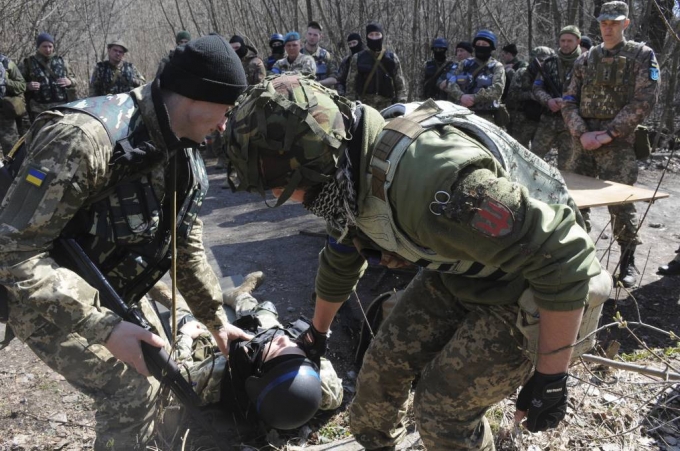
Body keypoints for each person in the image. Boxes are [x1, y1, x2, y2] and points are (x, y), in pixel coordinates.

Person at [223, 73, 611, 450]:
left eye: (276, 186)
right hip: (460, 270)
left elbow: (563, 253)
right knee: (374, 389)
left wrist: (552, 375)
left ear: (309, 167)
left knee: (441, 415)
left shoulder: (436, 184)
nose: (276, 194)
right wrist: (317, 335)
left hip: (530, 285)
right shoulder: (345, 169)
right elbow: (342, 255)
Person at [0, 35, 252, 450]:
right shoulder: (83, 139)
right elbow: (13, 251)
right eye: (225, 109)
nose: (226, 124)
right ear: (195, 99)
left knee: (162, 364)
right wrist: (105, 328)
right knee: (133, 388)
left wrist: (215, 318)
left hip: (101, 287)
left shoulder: (182, 150)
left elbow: (183, 245)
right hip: (34, 288)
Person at [152, 272, 343, 430]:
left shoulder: (218, 375)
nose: (284, 339)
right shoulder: (324, 386)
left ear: (257, 375)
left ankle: (174, 302)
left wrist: (185, 337)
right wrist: (293, 351)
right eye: (295, 349)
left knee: (190, 324)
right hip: (270, 349)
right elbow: (331, 388)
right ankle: (240, 294)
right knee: (263, 313)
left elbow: (178, 374)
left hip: (238, 351)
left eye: (279, 348)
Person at [562, 1, 660, 288]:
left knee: (621, 205)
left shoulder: (641, 56)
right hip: (582, 144)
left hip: (617, 145)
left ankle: (627, 260)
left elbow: (645, 100)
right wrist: (581, 133)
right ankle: (579, 257)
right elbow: (569, 100)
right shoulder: (586, 58)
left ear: (625, 24)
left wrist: (608, 134)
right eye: (604, 22)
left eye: (614, 23)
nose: (608, 27)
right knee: (575, 204)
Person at [531, 25, 583, 169]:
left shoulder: (586, 63)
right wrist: (548, 101)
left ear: (578, 41)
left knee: (567, 166)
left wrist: (568, 102)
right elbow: (537, 87)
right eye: (562, 40)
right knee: (533, 159)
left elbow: (590, 92)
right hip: (548, 119)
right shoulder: (549, 63)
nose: (565, 44)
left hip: (572, 123)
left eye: (569, 41)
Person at [440, 29, 507, 127]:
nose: (481, 47)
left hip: (486, 117)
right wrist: (461, 96)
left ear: (491, 47)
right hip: (462, 113)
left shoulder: (496, 66)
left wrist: (474, 98)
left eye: (484, 45)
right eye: (478, 44)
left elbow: (497, 89)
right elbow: (451, 83)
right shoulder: (465, 64)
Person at [344, 23, 407, 110]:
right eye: (371, 35)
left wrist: (400, 105)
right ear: (367, 37)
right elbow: (350, 86)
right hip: (364, 106)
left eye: (377, 34)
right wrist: (351, 107)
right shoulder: (358, 58)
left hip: (388, 105)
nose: (374, 38)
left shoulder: (392, 57)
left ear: (382, 36)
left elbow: (400, 85)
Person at [505, 46, 555, 147]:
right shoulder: (522, 73)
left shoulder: (552, 75)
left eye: (546, 60)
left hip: (543, 120)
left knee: (538, 154)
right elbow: (512, 95)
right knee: (518, 150)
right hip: (522, 120)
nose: (543, 63)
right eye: (540, 60)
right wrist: (532, 95)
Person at [21, 32, 77, 122]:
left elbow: (75, 80)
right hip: (39, 109)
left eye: (50, 46)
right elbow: (18, 84)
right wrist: (28, 86)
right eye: (44, 46)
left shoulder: (62, 61)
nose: (48, 49)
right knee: (41, 134)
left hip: (61, 107)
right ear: (38, 47)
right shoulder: (29, 63)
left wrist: (70, 82)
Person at [0, 54, 27, 157]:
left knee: (10, 147)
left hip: (4, 114)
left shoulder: (6, 63)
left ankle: (11, 170)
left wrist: (5, 82)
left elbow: (22, 86)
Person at [301, 21, 337, 87]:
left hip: (322, 93)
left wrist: (317, 84)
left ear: (320, 36)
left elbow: (334, 78)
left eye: (315, 35)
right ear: (306, 35)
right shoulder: (298, 55)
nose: (312, 37)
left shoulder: (326, 55)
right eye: (310, 34)